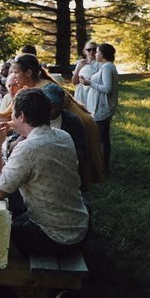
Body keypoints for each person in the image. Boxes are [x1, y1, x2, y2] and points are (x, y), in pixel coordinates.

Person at [0, 88, 89, 256]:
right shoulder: (63, 135)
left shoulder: (28, 148)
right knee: (12, 216)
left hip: (56, 237)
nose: (12, 119)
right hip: (79, 224)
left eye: (13, 114)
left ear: (21, 116)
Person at [0, 54, 104, 188]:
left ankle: (76, 188)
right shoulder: (29, 89)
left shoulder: (44, 89)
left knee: (80, 163)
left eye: (15, 72)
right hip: (56, 123)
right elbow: (7, 115)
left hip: (78, 121)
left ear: (28, 73)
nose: (14, 76)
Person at [80, 43, 119, 173]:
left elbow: (107, 89)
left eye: (97, 52)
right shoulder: (106, 67)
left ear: (103, 54)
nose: (95, 54)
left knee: (101, 139)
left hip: (102, 109)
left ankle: (101, 168)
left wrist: (90, 83)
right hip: (99, 108)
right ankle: (102, 166)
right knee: (102, 138)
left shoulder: (107, 68)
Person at [43, 82, 87, 189]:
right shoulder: (33, 118)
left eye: (55, 104)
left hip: (64, 170)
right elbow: (13, 144)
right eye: (48, 104)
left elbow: (81, 152)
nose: (51, 108)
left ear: (62, 104)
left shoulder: (72, 121)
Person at [72, 41, 101, 106]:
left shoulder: (100, 64)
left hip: (94, 92)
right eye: (89, 50)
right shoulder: (80, 63)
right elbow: (74, 82)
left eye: (94, 50)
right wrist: (79, 67)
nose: (91, 52)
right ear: (85, 51)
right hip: (81, 93)